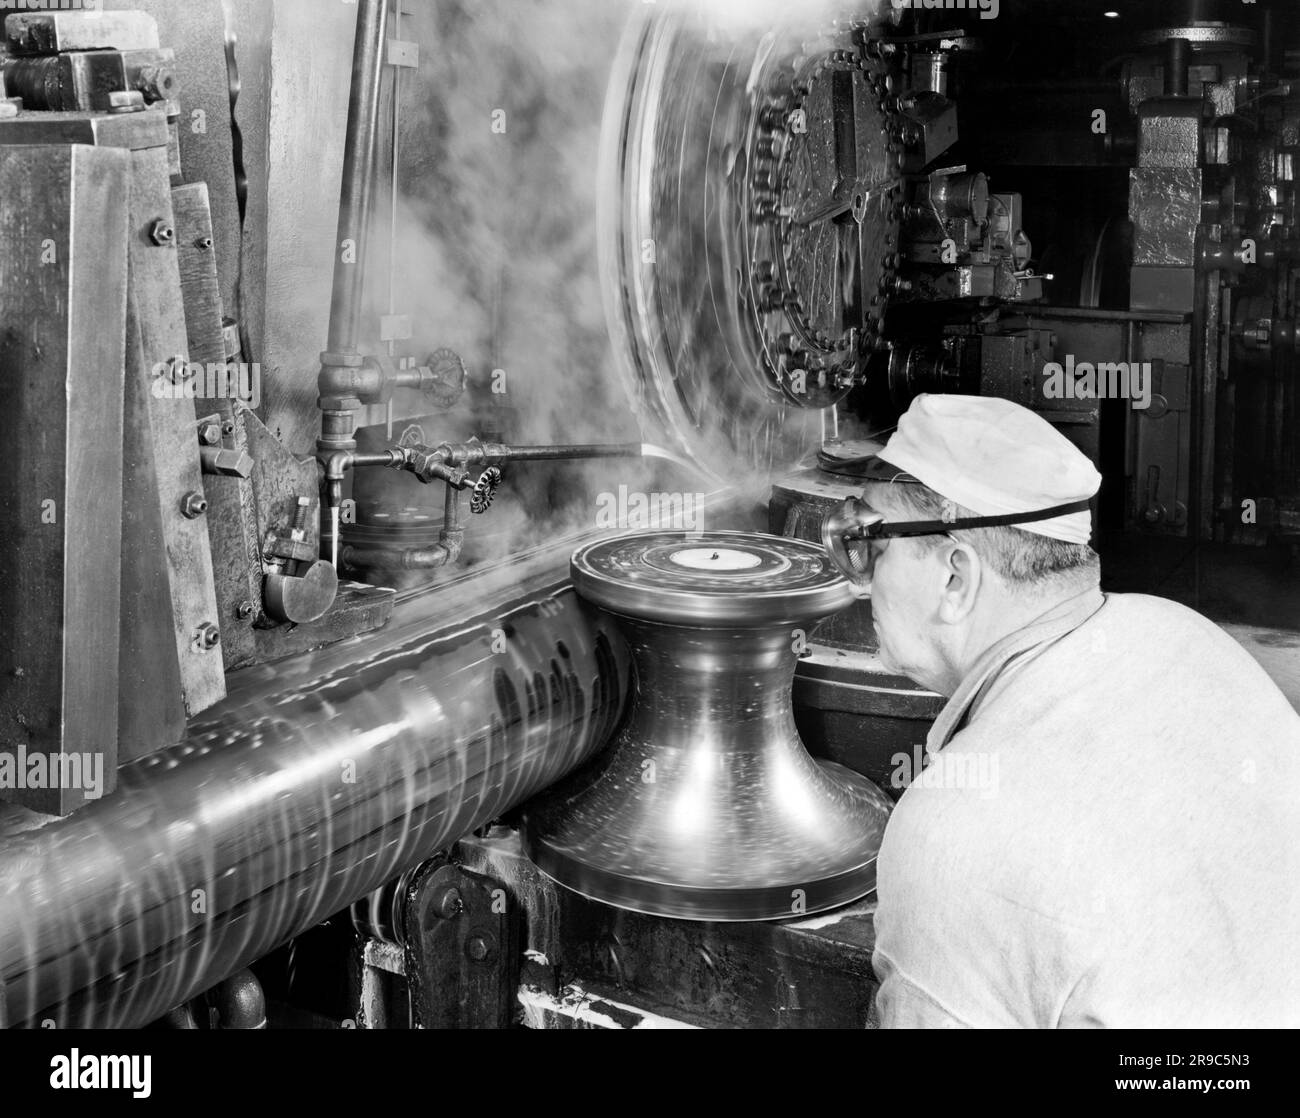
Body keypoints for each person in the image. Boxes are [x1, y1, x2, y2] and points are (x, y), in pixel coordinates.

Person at [822, 393, 1300, 1028]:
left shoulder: (951, 837)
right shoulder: (1188, 634)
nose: (861, 576)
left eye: (870, 542)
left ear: (955, 579)